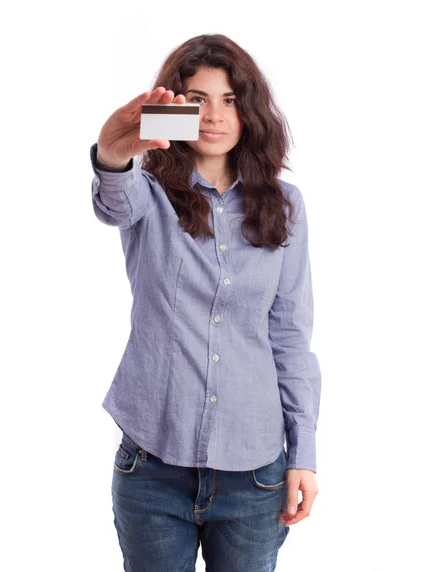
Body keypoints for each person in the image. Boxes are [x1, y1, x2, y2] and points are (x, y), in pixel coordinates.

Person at [90, 33, 321, 572]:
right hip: (152, 468)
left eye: (230, 100)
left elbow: (288, 333)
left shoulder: (285, 205)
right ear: (172, 109)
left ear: (251, 111)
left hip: (256, 474)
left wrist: (303, 453)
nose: (213, 115)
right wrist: (111, 153)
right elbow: (112, 201)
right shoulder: (147, 191)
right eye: (196, 100)